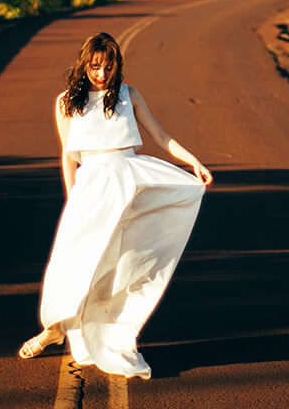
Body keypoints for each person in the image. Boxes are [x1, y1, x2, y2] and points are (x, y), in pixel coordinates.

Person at [18, 31, 213, 379]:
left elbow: (161, 136)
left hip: (132, 182)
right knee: (70, 262)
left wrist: (193, 162)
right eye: (95, 67)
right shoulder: (66, 102)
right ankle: (53, 329)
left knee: (118, 263)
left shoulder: (128, 95)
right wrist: (72, 196)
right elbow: (68, 156)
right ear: (85, 65)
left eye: (108, 67)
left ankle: (113, 328)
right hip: (92, 188)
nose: (102, 74)